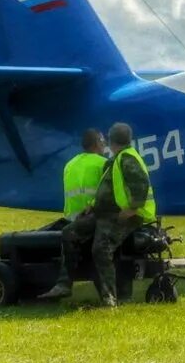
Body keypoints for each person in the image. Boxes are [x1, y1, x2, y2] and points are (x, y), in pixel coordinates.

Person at [40, 122, 157, 306]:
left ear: (111, 141)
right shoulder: (116, 161)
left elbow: (140, 185)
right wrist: (92, 207)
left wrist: (132, 209)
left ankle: (109, 297)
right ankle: (64, 284)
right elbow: (107, 190)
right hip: (106, 213)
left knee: (100, 249)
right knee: (69, 233)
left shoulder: (127, 159)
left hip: (126, 216)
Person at [62, 129, 107, 220]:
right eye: (103, 141)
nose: (105, 144)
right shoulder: (103, 163)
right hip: (94, 222)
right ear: (98, 143)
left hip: (71, 222)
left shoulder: (69, 165)